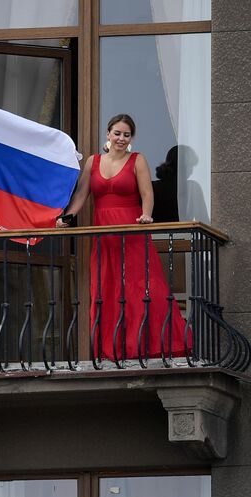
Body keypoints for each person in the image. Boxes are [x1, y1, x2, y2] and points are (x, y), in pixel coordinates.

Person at [55, 114, 190, 363]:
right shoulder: (93, 162)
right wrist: (69, 217)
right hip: (103, 233)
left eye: (126, 135)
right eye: (117, 133)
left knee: (143, 286)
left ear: (131, 138)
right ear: (108, 134)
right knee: (107, 286)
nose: (121, 138)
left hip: (132, 229)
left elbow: (147, 194)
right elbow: (82, 194)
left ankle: (151, 345)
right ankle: (114, 350)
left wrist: (147, 216)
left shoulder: (138, 160)